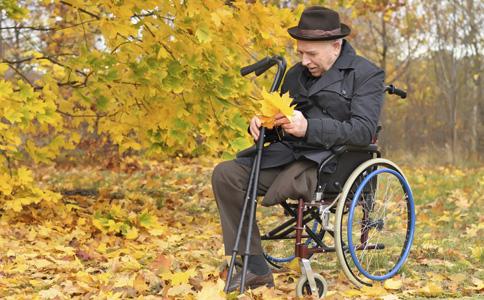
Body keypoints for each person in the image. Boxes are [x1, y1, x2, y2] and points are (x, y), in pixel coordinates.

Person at [212, 6, 385, 292]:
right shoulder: (295, 75)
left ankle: (276, 200)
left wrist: (310, 128)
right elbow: (280, 116)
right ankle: (254, 266)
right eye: (301, 53)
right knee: (226, 175)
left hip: (332, 162)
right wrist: (262, 123)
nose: (304, 61)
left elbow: (363, 130)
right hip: (289, 155)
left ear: (335, 46)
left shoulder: (365, 74)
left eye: (311, 54)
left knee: (292, 177)